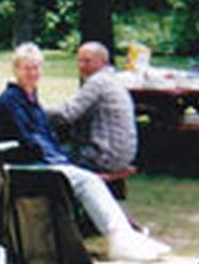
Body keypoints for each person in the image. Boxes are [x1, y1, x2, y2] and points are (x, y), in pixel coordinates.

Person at [0, 43, 169, 261]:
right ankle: (121, 238)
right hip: (21, 167)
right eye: (27, 68)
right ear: (16, 70)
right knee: (86, 179)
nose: (33, 73)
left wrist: (59, 158)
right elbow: (29, 142)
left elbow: (46, 136)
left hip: (40, 161)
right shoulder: (11, 100)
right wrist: (59, 161)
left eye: (36, 68)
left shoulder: (30, 98)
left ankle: (125, 235)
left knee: (87, 178)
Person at [47, 41, 136, 173]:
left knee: (49, 155)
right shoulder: (112, 79)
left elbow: (68, 114)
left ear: (103, 62)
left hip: (106, 157)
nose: (81, 66)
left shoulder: (98, 81)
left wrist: (36, 111)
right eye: (79, 61)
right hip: (123, 155)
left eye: (87, 61)